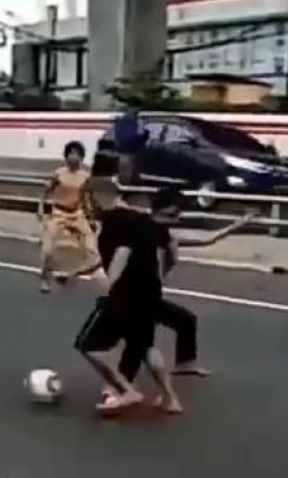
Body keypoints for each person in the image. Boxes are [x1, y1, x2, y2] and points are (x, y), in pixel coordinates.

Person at [115, 187, 254, 382]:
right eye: (174, 212)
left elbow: (206, 239)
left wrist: (237, 225)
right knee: (140, 344)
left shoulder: (166, 235)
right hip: (134, 296)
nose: (178, 217)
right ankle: (119, 386)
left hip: (150, 295)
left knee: (185, 321)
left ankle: (184, 363)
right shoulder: (142, 231)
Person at [74, 178, 182, 415]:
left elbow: (122, 252)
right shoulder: (143, 219)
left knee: (88, 345)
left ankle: (126, 390)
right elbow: (172, 248)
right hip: (150, 294)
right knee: (145, 346)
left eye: (87, 202)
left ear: (95, 197)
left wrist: (110, 284)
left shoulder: (115, 221)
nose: (87, 208)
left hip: (126, 295)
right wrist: (162, 274)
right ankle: (170, 399)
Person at [38, 141, 98, 293]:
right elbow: (45, 191)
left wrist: (90, 217)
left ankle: (68, 274)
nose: (74, 157)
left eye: (77, 154)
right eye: (71, 154)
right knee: (47, 249)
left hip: (77, 214)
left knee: (92, 250)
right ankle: (44, 278)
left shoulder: (85, 176)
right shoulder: (59, 173)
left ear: (82, 157)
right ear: (66, 156)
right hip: (58, 213)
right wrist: (40, 209)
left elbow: (86, 198)